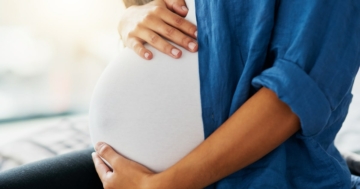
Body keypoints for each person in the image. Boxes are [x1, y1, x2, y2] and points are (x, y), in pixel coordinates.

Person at [0, 0, 360, 189]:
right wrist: (132, 19)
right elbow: (153, 11)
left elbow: (294, 97)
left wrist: (164, 187)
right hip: (132, 174)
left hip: (257, 177)